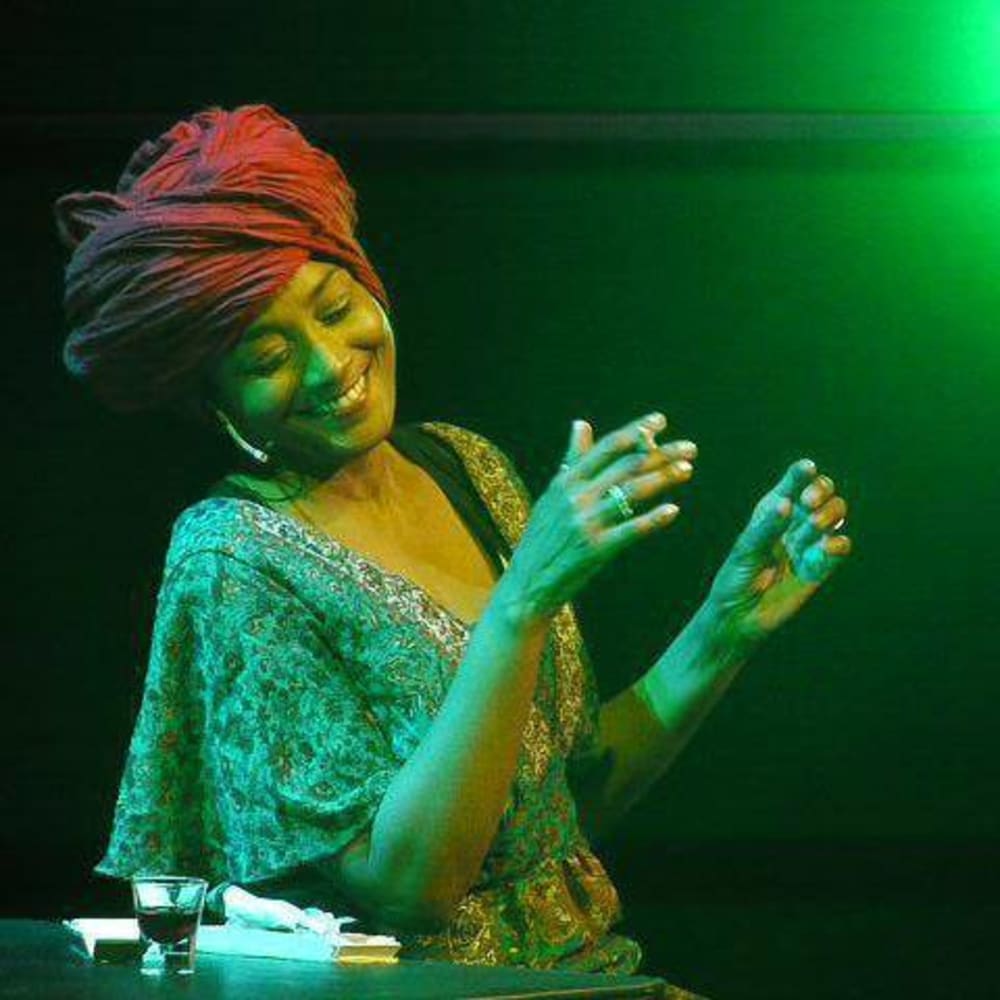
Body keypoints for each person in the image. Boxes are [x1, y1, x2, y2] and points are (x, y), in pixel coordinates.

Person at [53, 105, 852, 988]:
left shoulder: (468, 467)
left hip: (588, 975)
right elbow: (408, 889)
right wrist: (523, 601)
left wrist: (721, 631)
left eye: (335, 309)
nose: (329, 365)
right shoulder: (234, 559)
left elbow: (560, 811)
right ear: (216, 401)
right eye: (268, 355)